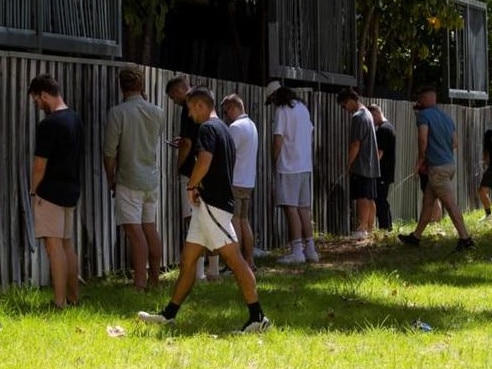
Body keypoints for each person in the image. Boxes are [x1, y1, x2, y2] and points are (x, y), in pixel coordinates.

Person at [138, 86, 270, 332]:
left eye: (190, 109)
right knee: (188, 261)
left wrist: (192, 184)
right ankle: (169, 314)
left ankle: (258, 317)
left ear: (200, 105)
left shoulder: (208, 128)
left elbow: (205, 161)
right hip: (208, 206)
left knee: (236, 260)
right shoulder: (222, 129)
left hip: (213, 207)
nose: (189, 114)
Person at [103, 67, 164, 290]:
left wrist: (111, 177)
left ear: (122, 86)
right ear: (142, 86)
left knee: (134, 231)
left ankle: (139, 281)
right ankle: (155, 279)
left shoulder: (118, 113)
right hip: (151, 178)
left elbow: (110, 152)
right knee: (150, 228)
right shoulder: (157, 112)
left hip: (129, 177)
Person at [29, 74, 83, 308]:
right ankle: (73, 297)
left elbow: (40, 165)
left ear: (43, 94)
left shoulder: (49, 125)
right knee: (67, 245)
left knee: (54, 247)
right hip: (71, 188)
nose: (37, 105)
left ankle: (59, 301)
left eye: (36, 100)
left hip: (50, 191)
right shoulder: (75, 118)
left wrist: (33, 191)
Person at [398, 87, 473, 251]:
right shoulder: (446, 117)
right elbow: (455, 142)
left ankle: (465, 239)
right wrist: (441, 150)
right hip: (449, 165)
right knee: (428, 202)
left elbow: (422, 140)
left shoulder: (424, 115)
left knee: (450, 204)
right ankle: (416, 237)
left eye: (419, 100)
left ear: (424, 99)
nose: (418, 103)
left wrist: (421, 159)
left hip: (437, 169)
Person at [166, 75, 220, 281]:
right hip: (208, 171)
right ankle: (213, 270)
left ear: (180, 91)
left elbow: (188, 143)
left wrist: (179, 165)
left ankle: (198, 273)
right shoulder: (205, 108)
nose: (175, 102)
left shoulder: (188, 108)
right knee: (209, 220)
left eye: (173, 97)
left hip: (192, 171)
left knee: (194, 221)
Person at [265, 80, 319, 264]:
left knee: (291, 208)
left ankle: (297, 250)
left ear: (275, 96)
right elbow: (310, 132)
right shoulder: (302, 108)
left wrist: (274, 159)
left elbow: (278, 138)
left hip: (289, 165)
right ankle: (310, 249)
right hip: (305, 164)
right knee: (304, 208)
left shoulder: (282, 111)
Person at [221, 93, 258, 270]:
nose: (226, 117)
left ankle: (238, 263)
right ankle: (249, 260)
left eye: (226, 112)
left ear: (234, 108)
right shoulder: (251, 125)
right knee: (244, 220)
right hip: (248, 180)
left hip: (235, 180)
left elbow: (228, 154)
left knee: (234, 220)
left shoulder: (236, 127)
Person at [337, 88, 380, 240]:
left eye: (344, 106)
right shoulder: (368, 113)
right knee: (370, 197)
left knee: (362, 196)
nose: (345, 109)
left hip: (361, 163)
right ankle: (370, 227)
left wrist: (349, 163)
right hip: (371, 163)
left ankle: (361, 229)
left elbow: (355, 144)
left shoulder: (358, 116)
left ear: (350, 100)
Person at [368, 104, 396, 231]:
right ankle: (387, 227)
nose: (372, 122)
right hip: (387, 171)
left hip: (383, 171)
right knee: (382, 200)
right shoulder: (389, 127)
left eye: (371, 118)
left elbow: (379, 153)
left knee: (380, 200)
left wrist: (371, 168)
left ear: (376, 113)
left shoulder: (383, 130)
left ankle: (385, 228)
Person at [478, 129, 492, 221]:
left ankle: (489, 214)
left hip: (491, 171)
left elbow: (486, 159)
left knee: (482, 191)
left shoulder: (487, 146)